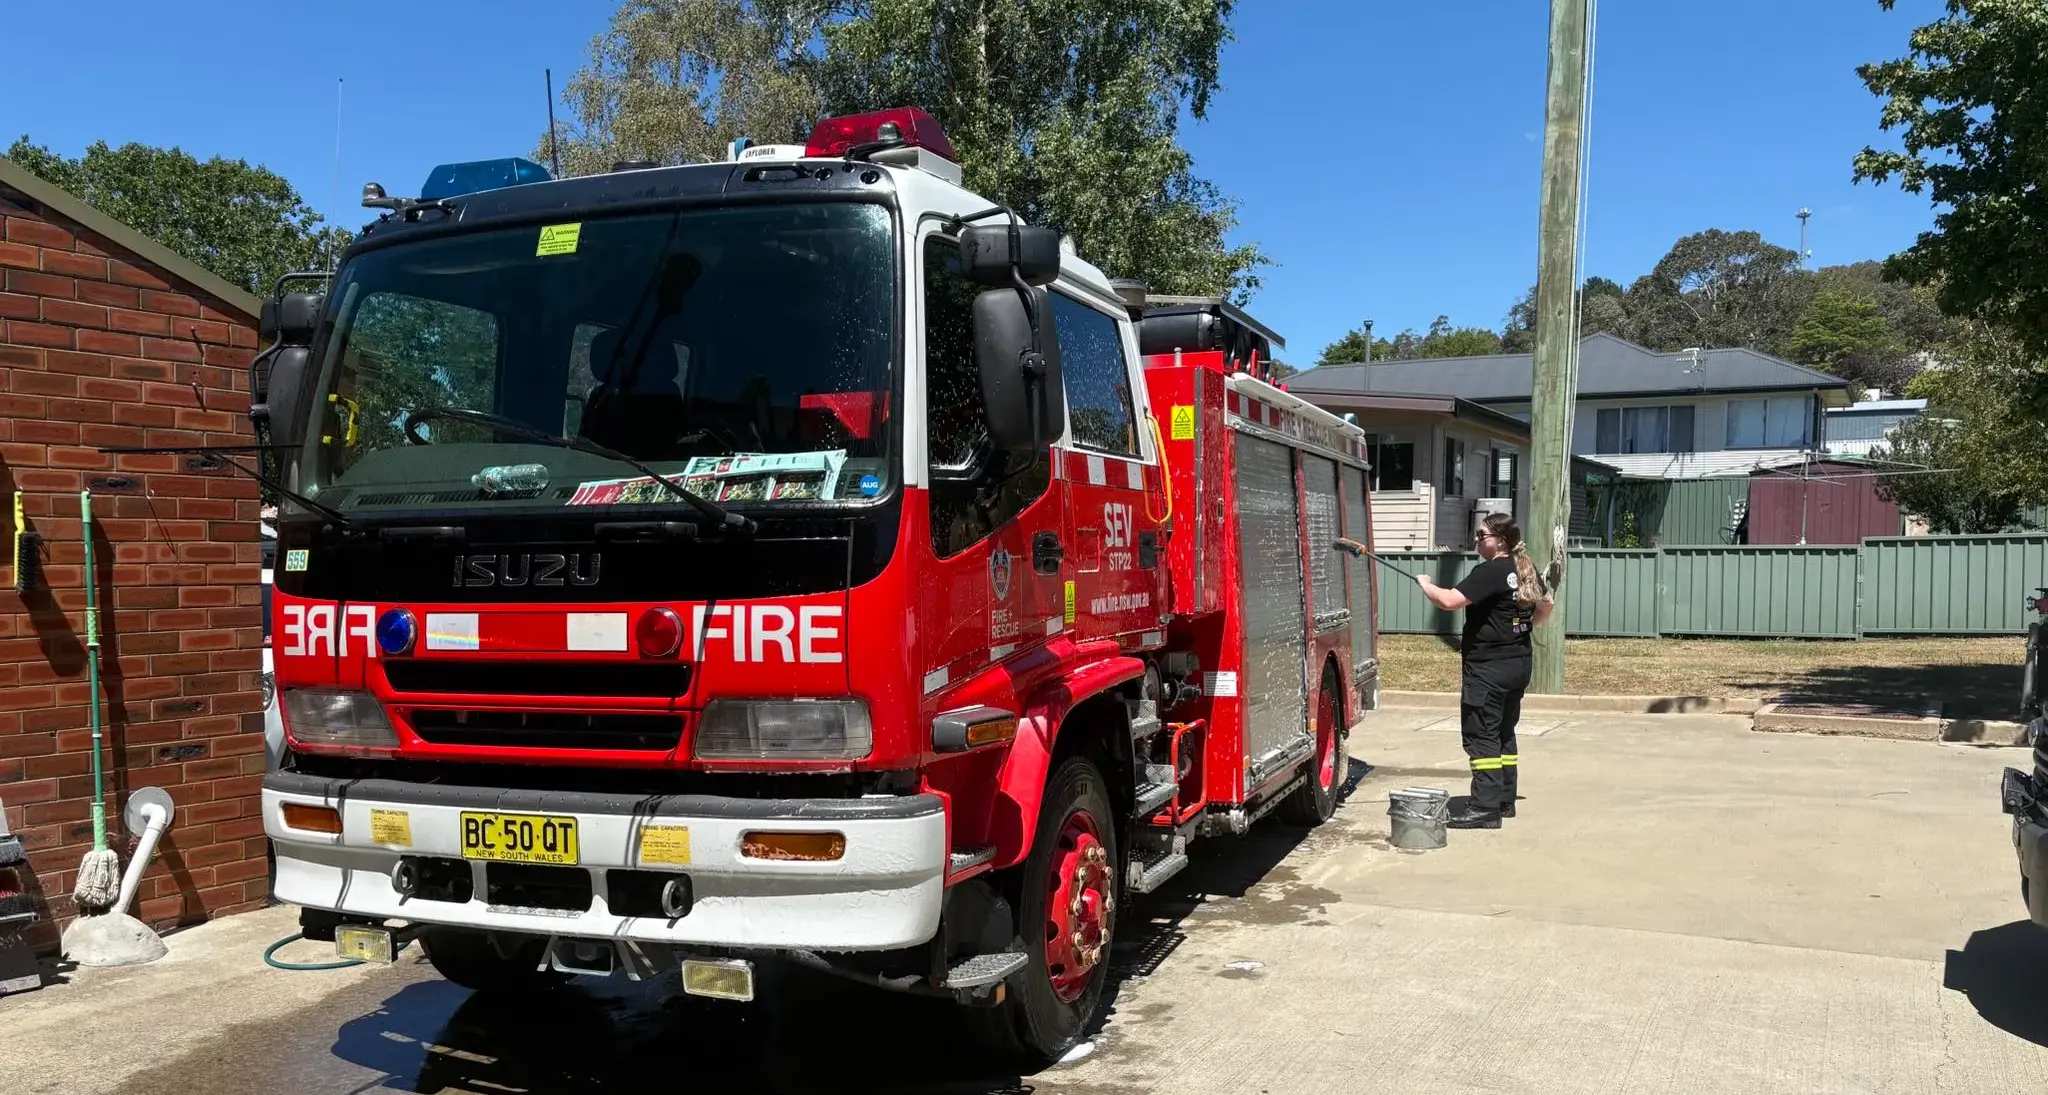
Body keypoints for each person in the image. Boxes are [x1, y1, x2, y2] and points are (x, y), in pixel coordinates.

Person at [1415, 512, 1555, 829]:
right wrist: (1523, 629)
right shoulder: (1525, 568)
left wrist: (1426, 585)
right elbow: (1547, 605)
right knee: (1504, 733)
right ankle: (1504, 800)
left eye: (1482, 536)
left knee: (1482, 735)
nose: (1477, 540)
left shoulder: (1491, 571)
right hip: (1518, 664)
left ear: (1501, 540)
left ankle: (1484, 808)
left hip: (1488, 670)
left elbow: (1450, 601)